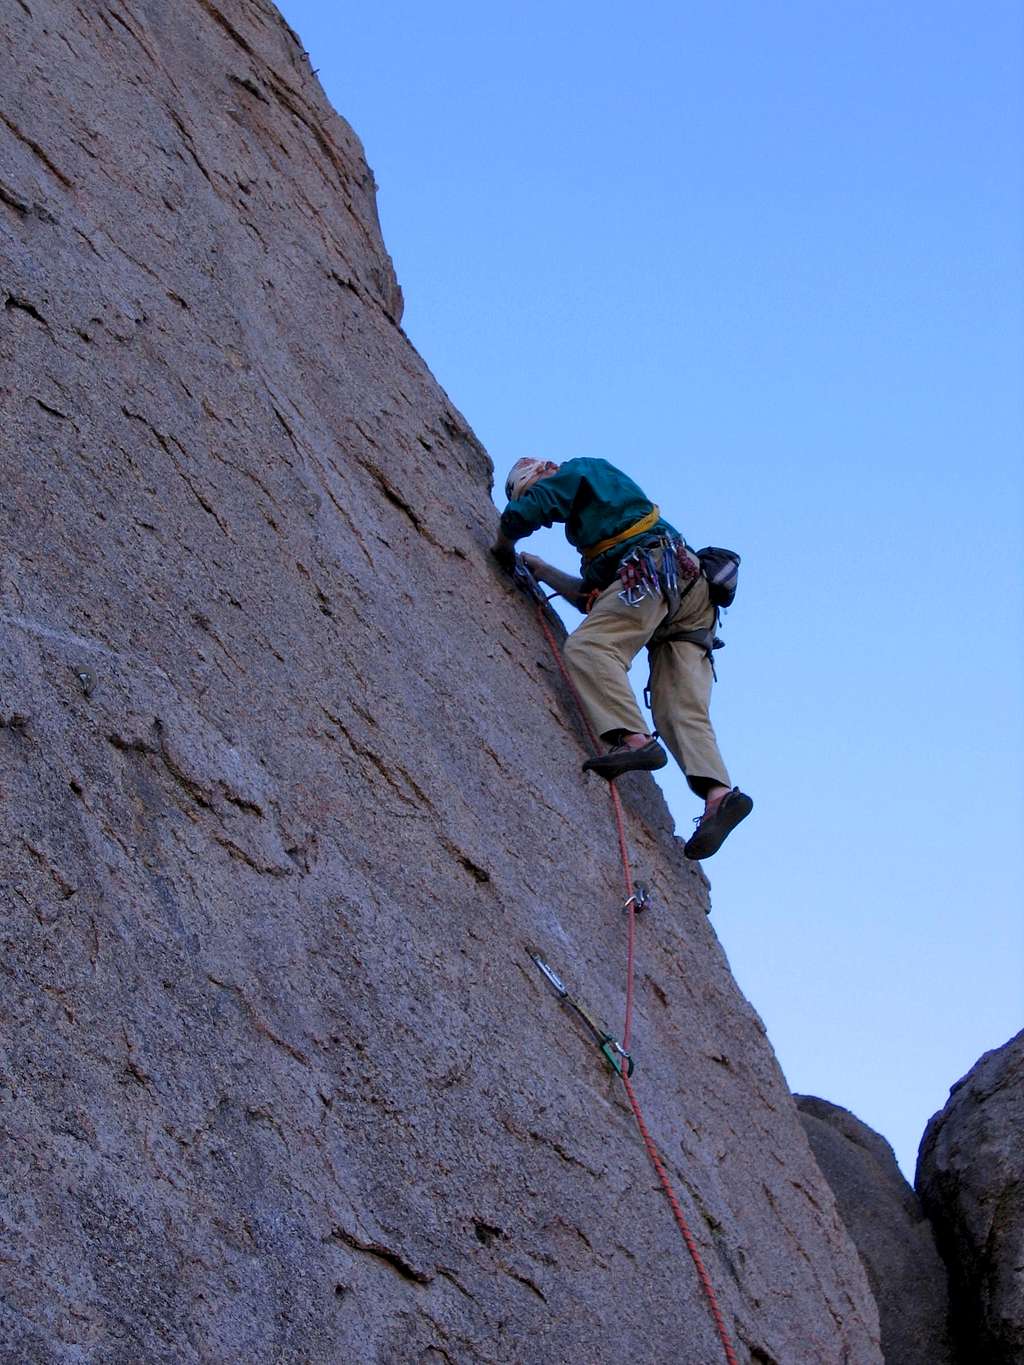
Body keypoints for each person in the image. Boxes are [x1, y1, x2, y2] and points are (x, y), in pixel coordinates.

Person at [492, 456, 751, 861]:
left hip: (653, 569)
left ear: (541, 472)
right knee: (678, 709)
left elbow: (524, 514)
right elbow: (593, 600)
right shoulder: (603, 529)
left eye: (532, 489)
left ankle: (633, 740)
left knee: (591, 649)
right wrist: (542, 571)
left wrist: (503, 546)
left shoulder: (580, 472)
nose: (546, 522)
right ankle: (720, 795)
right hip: (688, 600)